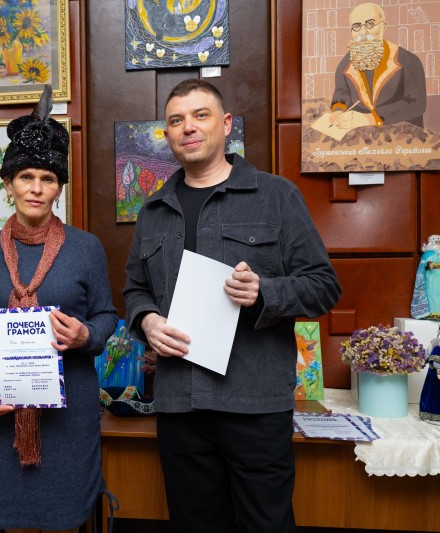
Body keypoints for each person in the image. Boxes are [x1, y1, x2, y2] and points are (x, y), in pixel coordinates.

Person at [123, 79, 341, 533]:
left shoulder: (277, 196)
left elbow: (323, 288)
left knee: (267, 526)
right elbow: (134, 290)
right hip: (179, 407)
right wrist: (147, 320)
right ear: (167, 134)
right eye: (176, 120)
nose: (188, 127)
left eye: (200, 115)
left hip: (254, 404)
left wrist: (265, 292)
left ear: (225, 125)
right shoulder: (152, 211)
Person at [0, 85, 118, 532]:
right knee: (9, 521)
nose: (36, 188)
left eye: (47, 179)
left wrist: (86, 335)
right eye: (26, 177)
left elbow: (107, 316)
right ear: (8, 184)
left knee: (65, 520)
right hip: (2, 412)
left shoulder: (86, 248)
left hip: (69, 416)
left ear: (59, 188)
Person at [330, 2, 426, 129]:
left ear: (383, 26)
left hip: (401, 131)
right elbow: (342, 91)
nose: (363, 33)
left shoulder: (408, 61)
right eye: (357, 26)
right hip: (361, 132)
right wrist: (338, 110)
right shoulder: (346, 64)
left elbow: (417, 105)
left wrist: (371, 118)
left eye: (370, 24)